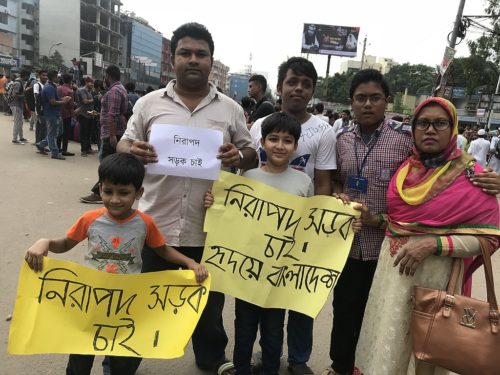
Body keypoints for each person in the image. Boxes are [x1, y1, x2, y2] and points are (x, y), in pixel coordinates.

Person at [324, 70, 500, 375]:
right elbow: (398, 221)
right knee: (380, 340)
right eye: (423, 123)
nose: (430, 130)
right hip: (387, 272)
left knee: (425, 353)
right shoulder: (407, 168)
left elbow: (490, 236)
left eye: (439, 123)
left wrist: (433, 243)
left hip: (434, 278)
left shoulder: (468, 175)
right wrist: (368, 215)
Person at [116, 22, 256, 375]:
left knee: (208, 304)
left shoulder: (230, 109)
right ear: (173, 59)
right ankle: (122, 362)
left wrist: (237, 157)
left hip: (208, 228)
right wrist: (134, 148)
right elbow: (122, 143)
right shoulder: (149, 104)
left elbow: (251, 152)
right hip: (154, 224)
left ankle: (210, 359)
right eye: (185, 53)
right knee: (141, 300)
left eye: (201, 54)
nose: (193, 60)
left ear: (211, 60)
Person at [24, 152, 208, 375]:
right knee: (79, 359)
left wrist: (189, 262)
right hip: (89, 303)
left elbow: (163, 250)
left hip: (126, 306)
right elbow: (65, 243)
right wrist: (44, 242)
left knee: (122, 362)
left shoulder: (145, 223)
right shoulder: (90, 220)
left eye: (124, 193)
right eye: (108, 191)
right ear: (100, 188)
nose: (114, 199)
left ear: (139, 193)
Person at [206, 112, 314, 375]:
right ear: (262, 142)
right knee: (243, 328)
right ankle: (242, 369)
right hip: (247, 275)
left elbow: (311, 224)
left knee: (274, 332)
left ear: (296, 146)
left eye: (287, 140)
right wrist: (215, 205)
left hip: (279, 276)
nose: (280, 145)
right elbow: (232, 216)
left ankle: (269, 370)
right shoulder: (248, 177)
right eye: (273, 139)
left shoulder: (304, 182)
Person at [250, 57, 336, 375]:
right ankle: (266, 352)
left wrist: (318, 228)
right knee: (265, 292)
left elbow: (324, 181)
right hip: (263, 228)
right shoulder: (260, 126)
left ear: (312, 91)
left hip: (304, 229)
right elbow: (248, 174)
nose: (298, 88)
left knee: (301, 294)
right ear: (280, 86)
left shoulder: (323, 132)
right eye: (292, 81)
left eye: (306, 83)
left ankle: (299, 359)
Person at [80, 66, 128, 204]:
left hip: (112, 132)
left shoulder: (114, 91)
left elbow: (113, 115)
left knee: (106, 163)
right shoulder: (119, 89)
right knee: (108, 161)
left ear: (107, 76)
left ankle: (99, 192)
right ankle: (106, 189)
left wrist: (112, 136)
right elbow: (112, 112)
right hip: (113, 130)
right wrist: (100, 114)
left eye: (104, 76)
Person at [35, 70, 72, 160]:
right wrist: (63, 101)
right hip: (51, 113)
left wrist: (63, 98)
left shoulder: (52, 86)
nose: (58, 78)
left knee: (59, 132)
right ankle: (55, 153)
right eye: (57, 76)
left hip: (56, 113)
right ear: (53, 77)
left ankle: (41, 144)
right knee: (53, 133)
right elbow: (53, 102)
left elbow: (56, 99)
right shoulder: (49, 88)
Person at [75, 76, 96, 157]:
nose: (92, 84)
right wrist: (94, 99)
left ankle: (88, 148)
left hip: (90, 114)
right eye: (91, 82)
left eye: (93, 82)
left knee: (89, 132)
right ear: (86, 82)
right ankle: (83, 150)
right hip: (83, 114)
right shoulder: (82, 90)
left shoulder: (89, 91)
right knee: (83, 132)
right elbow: (85, 101)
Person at [9, 70, 30, 144]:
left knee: (20, 122)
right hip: (15, 104)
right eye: (28, 76)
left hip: (18, 104)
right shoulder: (18, 83)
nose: (29, 77)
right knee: (17, 122)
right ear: (25, 76)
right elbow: (14, 95)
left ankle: (21, 137)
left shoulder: (20, 82)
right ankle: (15, 139)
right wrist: (23, 96)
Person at [57, 73, 75, 156]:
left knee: (59, 132)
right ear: (71, 81)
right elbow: (71, 105)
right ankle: (64, 150)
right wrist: (73, 114)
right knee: (66, 133)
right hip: (67, 114)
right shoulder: (70, 91)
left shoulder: (58, 88)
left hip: (58, 112)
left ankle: (57, 148)